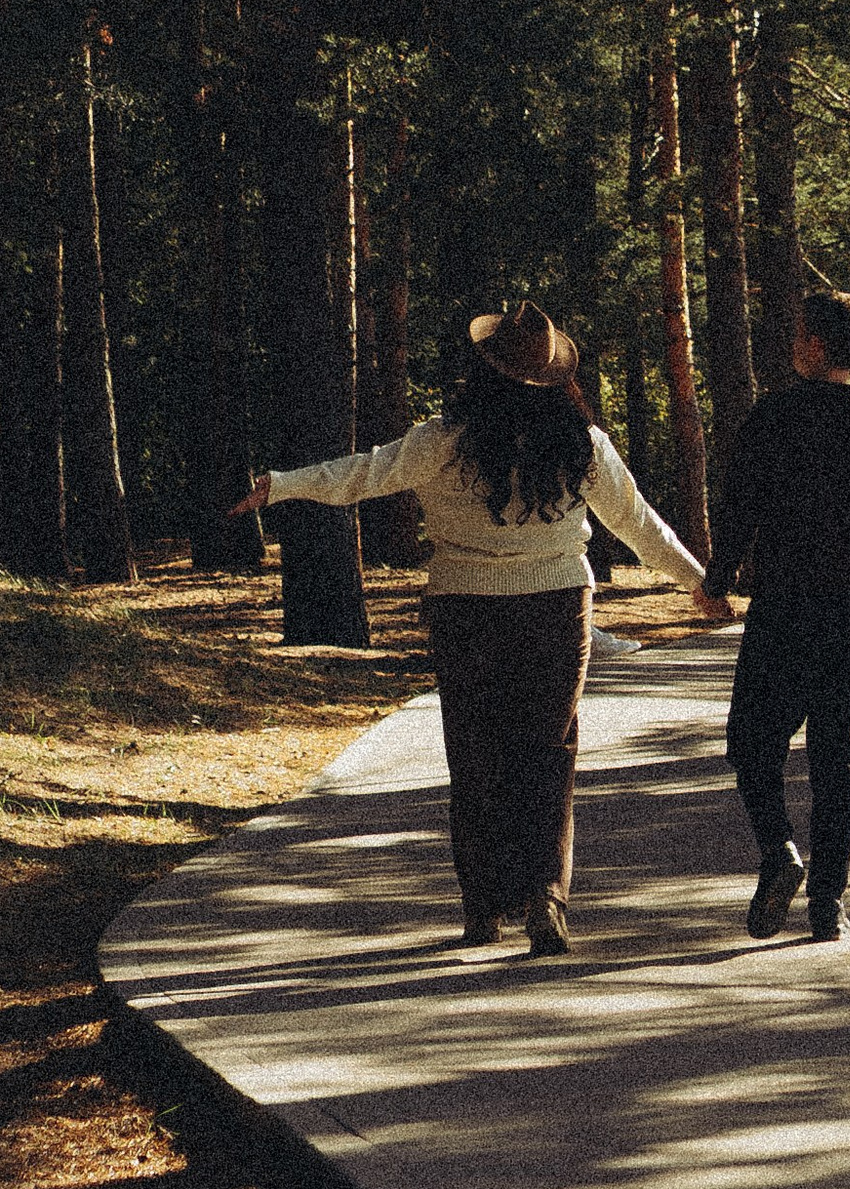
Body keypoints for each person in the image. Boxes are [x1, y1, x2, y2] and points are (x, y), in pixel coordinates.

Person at [232, 301, 709, 957]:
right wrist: (696, 582)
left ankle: (484, 907)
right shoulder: (581, 442)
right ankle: (546, 894)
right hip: (556, 604)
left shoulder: (443, 439)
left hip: (465, 607)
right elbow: (637, 523)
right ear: (555, 375)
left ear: (482, 367)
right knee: (549, 752)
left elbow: (361, 475)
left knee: (476, 753)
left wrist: (281, 485)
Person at [694, 286, 850, 943]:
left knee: (751, 745)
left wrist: (717, 579)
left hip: (780, 612)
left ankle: (778, 853)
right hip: (846, 613)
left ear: (816, 347)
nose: (791, 344)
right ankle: (828, 906)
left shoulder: (771, 420)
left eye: (797, 335)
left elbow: (738, 511)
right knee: (835, 759)